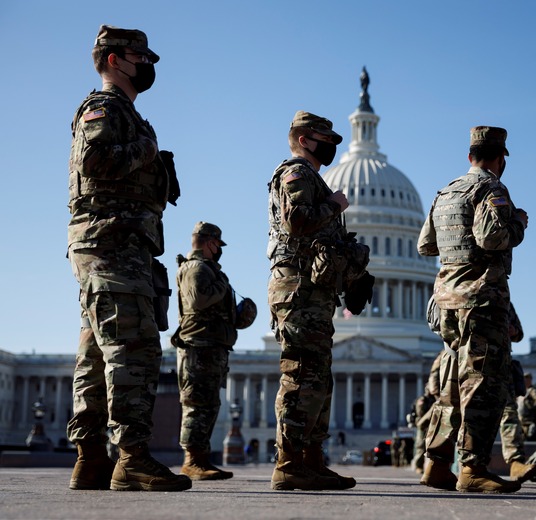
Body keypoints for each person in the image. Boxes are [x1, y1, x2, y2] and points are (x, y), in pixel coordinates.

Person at [66, 25, 190, 492]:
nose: (149, 67)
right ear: (116, 60)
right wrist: (149, 150)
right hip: (113, 242)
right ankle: (133, 457)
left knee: (97, 353)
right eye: (143, 58)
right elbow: (96, 163)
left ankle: (90, 459)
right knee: (133, 348)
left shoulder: (124, 113)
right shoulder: (105, 109)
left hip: (116, 243)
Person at [418, 126, 527, 493]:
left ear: (469, 157)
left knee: (451, 386)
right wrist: (517, 223)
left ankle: (435, 463)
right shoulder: (492, 188)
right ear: (500, 159)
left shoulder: (446, 192)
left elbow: (425, 245)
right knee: (483, 383)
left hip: (446, 300)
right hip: (480, 298)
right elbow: (493, 238)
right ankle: (472, 468)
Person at [266, 111, 358, 491]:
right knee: (302, 374)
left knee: (319, 377)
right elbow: (299, 222)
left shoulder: (312, 177)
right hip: (298, 288)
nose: (332, 146)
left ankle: (310, 459)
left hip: (314, 291)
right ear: (304, 139)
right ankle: (288, 463)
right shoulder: (297, 173)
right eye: (325, 138)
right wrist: (335, 204)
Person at [174, 222, 253, 480]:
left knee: (208, 405)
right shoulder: (197, 268)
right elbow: (198, 300)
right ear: (210, 243)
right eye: (218, 245)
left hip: (211, 347)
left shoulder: (208, 270)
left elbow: (213, 309)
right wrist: (223, 286)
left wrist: (240, 316)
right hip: (199, 347)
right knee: (197, 405)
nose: (219, 250)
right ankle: (192, 460)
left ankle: (200, 459)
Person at [498, 305, 536, 482]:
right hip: (470, 365)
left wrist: (511, 330)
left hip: (500, 364)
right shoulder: (457, 287)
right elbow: (445, 328)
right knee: (469, 415)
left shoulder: (500, 294)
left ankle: (516, 462)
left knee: (509, 414)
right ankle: (443, 462)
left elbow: (519, 332)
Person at [519, 373, 536, 441]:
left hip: (529, 423)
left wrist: (529, 404)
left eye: (526, 379)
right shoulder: (521, 391)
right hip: (520, 423)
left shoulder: (533, 391)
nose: (525, 381)